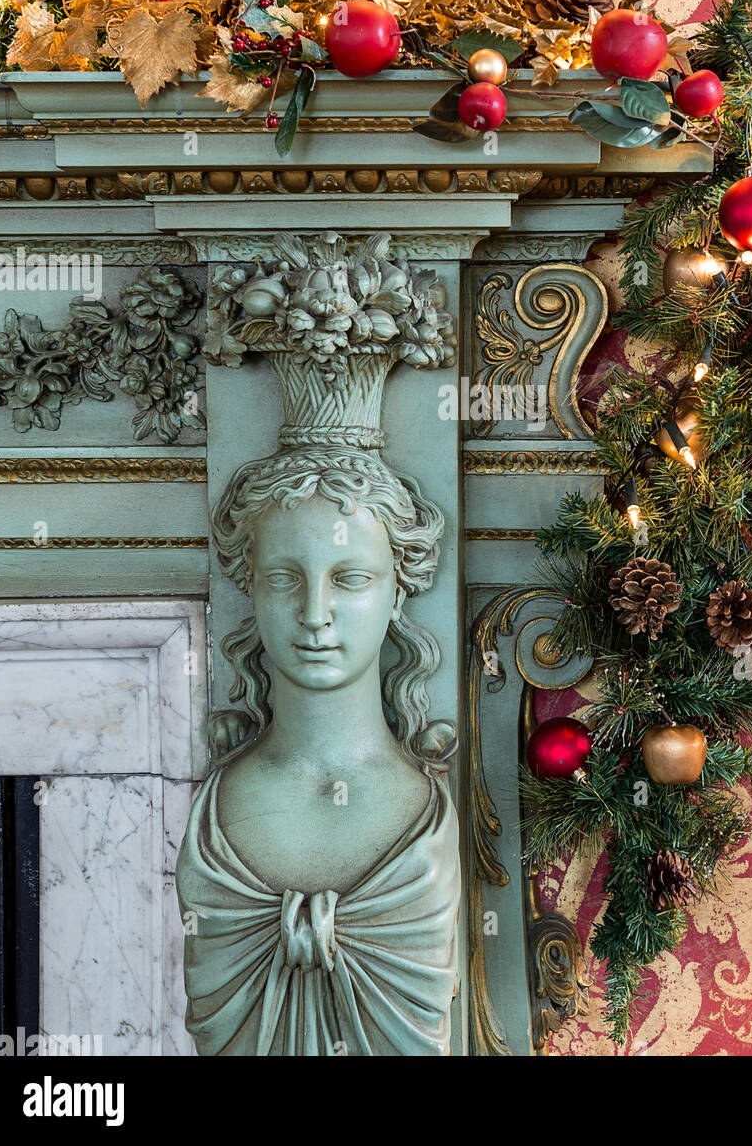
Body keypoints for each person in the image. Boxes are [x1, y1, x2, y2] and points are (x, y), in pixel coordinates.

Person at [176, 448, 459, 1056]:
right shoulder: (221, 812)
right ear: (249, 585)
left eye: (350, 578)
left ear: (397, 591)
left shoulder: (419, 816)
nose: (314, 614)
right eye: (284, 578)